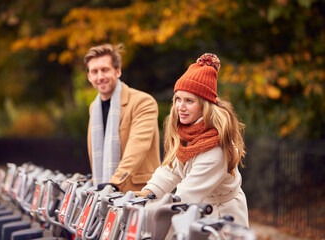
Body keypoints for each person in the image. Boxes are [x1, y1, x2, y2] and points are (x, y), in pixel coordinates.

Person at [135, 53, 249, 228]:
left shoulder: (215, 149)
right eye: (178, 99)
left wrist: (147, 213)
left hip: (222, 219)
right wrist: (147, 193)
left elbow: (185, 196)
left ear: (204, 105)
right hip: (201, 211)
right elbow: (170, 170)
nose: (181, 107)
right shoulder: (187, 133)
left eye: (189, 100)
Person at [84, 43, 161, 193]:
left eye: (105, 70)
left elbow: (138, 147)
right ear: (89, 77)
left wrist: (113, 183)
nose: (100, 76)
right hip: (104, 193)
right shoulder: (94, 108)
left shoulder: (143, 101)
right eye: (94, 71)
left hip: (139, 194)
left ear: (118, 71)